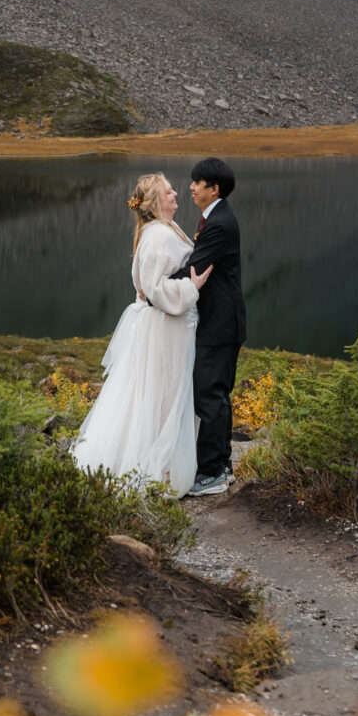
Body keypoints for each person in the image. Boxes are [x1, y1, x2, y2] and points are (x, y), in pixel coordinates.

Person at [70, 172, 215, 493]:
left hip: (171, 328)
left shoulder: (160, 230)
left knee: (161, 393)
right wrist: (191, 287)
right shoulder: (158, 237)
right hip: (166, 331)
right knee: (164, 395)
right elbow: (153, 290)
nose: (177, 194)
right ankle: (157, 473)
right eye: (168, 191)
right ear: (154, 202)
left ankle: (158, 466)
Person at [176, 156, 244, 497]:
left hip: (219, 325)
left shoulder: (218, 223)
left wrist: (154, 287)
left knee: (210, 395)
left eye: (197, 182)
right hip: (222, 322)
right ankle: (222, 466)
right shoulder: (215, 218)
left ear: (213, 188)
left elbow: (194, 267)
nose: (190, 187)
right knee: (216, 393)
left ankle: (212, 473)